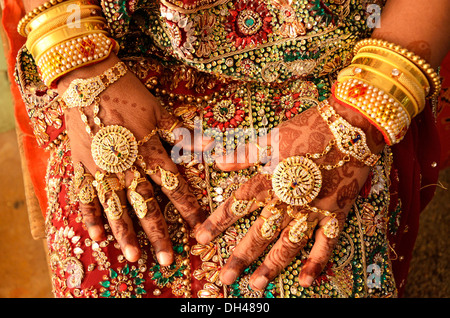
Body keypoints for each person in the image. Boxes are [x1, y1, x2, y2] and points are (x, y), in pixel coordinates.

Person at [7, 0, 449, 298]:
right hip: (118, 63)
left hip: (329, 84)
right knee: (111, 261)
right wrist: (80, 65)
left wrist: (357, 121)